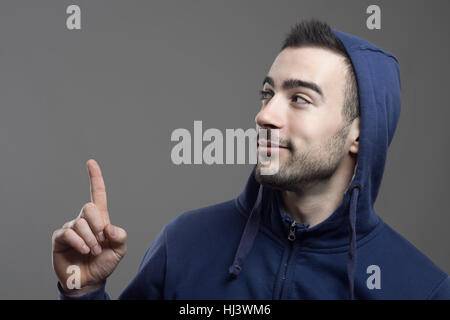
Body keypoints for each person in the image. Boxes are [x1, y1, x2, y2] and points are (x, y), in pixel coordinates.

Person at [52, 19, 450, 299]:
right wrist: (82, 290)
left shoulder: (420, 288)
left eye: (299, 98)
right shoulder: (186, 244)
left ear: (359, 133)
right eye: (267, 93)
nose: (265, 115)